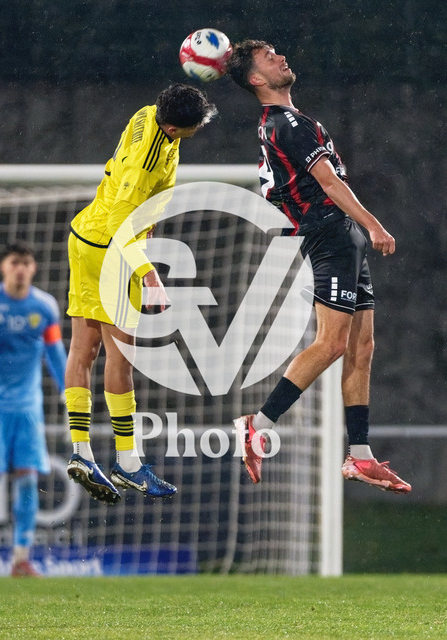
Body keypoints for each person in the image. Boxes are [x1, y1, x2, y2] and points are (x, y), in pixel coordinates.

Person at [227, 40, 411, 493]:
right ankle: (256, 425)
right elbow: (327, 182)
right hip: (329, 235)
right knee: (331, 344)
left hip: (340, 236)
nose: (280, 57)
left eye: (276, 51)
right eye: (268, 57)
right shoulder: (285, 123)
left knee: (362, 346)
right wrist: (373, 225)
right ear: (256, 79)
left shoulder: (288, 120)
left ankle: (361, 455)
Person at [65, 83, 217, 504]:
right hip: (110, 251)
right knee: (121, 356)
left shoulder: (148, 114)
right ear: (176, 127)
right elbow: (120, 221)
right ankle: (127, 462)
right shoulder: (146, 163)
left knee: (83, 349)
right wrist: (148, 274)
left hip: (85, 237)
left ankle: (81, 452)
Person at [0, 240, 67, 576]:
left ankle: (21, 559)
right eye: (15, 262)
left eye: (26, 263)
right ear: (3, 267)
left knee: (28, 478)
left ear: (33, 268)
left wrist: (69, 391)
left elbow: (55, 352)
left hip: (27, 408)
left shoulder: (45, 307)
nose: (21, 269)